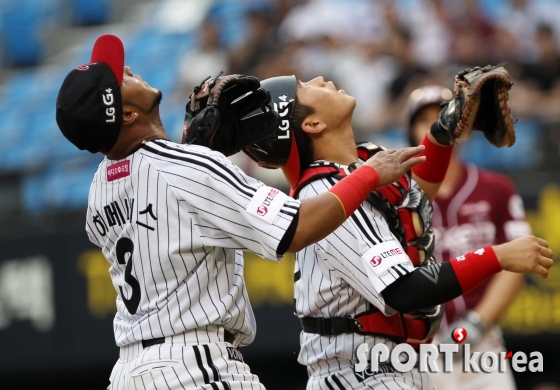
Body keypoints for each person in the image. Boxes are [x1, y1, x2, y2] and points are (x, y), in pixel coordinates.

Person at [54, 35, 426, 390]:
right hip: (193, 365)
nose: (129, 68)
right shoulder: (186, 167)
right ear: (129, 114)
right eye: (119, 78)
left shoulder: (99, 187)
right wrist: (370, 174)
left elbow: (172, 194)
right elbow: (298, 228)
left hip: (129, 371)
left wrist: (201, 154)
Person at [242, 75, 553, 390]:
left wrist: (443, 131)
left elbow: (412, 200)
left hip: (394, 367)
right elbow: (405, 291)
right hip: (358, 373)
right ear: (313, 125)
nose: (320, 79)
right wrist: (498, 256)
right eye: (307, 88)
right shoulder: (325, 192)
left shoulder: (359, 167)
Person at [406, 85, 531, 390]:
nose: (435, 125)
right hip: (418, 348)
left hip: (481, 343)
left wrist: (474, 326)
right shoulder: (397, 196)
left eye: (443, 116)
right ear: (409, 132)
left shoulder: (496, 188)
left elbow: (516, 264)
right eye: (424, 119)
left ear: (462, 129)